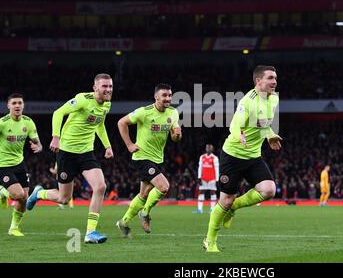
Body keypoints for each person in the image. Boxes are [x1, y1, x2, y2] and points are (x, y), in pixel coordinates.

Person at [26, 73, 114, 244]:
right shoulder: (82, 99)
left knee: (100, 186)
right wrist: (56, 136)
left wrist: (108, 146)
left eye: (110, 86)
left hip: (86, 152)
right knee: (64, 199)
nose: (108, 89)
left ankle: (90, 232)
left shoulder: (107, 105)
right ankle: (39, 193)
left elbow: (100, 124)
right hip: (67, 153)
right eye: (104, 86)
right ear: (95, 87)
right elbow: (58, 113)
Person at [203, 65, 282, 252]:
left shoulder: (274, 99)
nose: (274, 81)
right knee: (225, 200)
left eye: (275, 78)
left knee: (269, 190)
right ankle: (210, 241)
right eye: (270, 78)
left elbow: (264, 123)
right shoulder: (247, 101)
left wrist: (270, 134)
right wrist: (239, 134)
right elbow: (235, 125)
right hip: (233, 155)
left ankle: (234, 207)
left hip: (253, 155)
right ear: (258, 81)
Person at [116, 83, 181, 238]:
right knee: (164, 187)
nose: (168, 98)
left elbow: (174, 138)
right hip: (142, 157)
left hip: (157, 159)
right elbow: (121, 122)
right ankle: (144, 213)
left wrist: (177, 135)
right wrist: (129, 145)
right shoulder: (144, 112)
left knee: (144, 194)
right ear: (156, 97)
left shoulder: (173, 112)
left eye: (170, 95)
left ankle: (123, 222)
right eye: (164, 95)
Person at [0, 93, 42, 236]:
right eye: (14, 103)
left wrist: (38, 147)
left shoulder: (28, 122)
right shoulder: (3, 123)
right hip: (3, 165)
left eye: (19, 103)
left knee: (24, 198)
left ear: (23, 105)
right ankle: (3, 191)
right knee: (18, 194)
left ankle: (13, 228)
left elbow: (38, 143)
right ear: (8, 106)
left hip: (19, 164)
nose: (17, 105)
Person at [194, 144, 219, 214]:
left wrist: (217, 180)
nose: (208, 149)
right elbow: (200, 167)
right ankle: (199, 209)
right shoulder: (202, 157)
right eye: (207, 147)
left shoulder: (215, 158)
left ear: (212, 149)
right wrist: (199, 177)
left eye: (210, 148)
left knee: (212, 193)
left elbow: (217, 169)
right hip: (203, 178)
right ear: (205, 149)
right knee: (201, 192)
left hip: (212, 179)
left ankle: (212, 209)